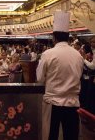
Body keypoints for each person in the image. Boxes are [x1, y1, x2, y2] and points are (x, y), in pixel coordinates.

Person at [36, 11, 84, 140]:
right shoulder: (78, 55)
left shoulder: (48, 54)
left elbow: (40, 78)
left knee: (51, 136)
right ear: (68, 37)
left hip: (53, 103)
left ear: (54, 38)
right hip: (73, 104)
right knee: (71, 136)